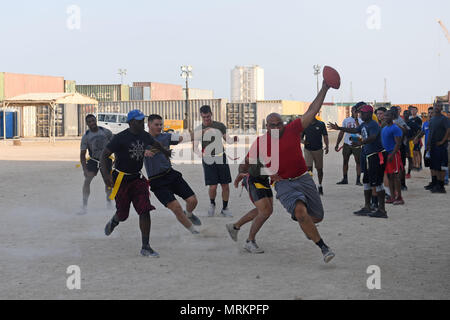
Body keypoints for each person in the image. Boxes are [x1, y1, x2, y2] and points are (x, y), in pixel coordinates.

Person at [251, 80, 336, 263]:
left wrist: (324, 88)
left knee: (317, 216)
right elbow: (246, 165)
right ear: (266, 126)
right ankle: (324, 248)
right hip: (283, 184)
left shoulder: (293, 129)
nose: (275, 128)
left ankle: (307, 227)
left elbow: (312, 110)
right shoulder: (260, 142)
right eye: (271, 125)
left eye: (278, 124)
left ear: (283, 124)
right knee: (300, 211)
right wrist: (267, 172)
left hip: (304, 178)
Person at [100, 110, 173, 258]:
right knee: (123, 215)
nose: (142, 123)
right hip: (121, 180)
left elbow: (155, 143)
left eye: (142, 120)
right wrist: (106, 175)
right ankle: (114, 220)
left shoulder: (144, 135)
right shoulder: (119, 138)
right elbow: (104, 155)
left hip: (137, 179)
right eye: (139, 121)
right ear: (131, 122)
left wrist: (165, 151)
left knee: (144, 210)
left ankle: (145, 247)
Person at [144, 114, 201, 234]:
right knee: (177, 208)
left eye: (161, 124)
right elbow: (130, 149)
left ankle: (189, 215)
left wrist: (201, 133)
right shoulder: (142, 140)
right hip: (157, 181)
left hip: (171, 175)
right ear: (149, 125)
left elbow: (182, 138)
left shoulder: (166, 137)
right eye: (156, 125)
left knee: (193, 201)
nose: (159, 127)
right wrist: (144, 152)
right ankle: (194, 232)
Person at [329, 104, 388, 218]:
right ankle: (367, 206)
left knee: (377, 182)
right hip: (367, 155)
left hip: (376, 155)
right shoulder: (364, 124)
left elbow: (373, 137)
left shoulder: (373, 124)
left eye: (362, 112)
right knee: (366, 181)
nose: (360, 114)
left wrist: (360, 143)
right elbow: (355, 130)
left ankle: (382, 210)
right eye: (360, 112)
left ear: (369, 114)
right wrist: (339, 128)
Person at [193, 105, 238, 217]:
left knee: (225, 185)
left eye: (208, 116)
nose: (206, 119)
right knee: (213, 186)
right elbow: (194, 147)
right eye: (204, 117)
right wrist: (201, 155)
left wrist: (233, 140)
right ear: (201, 116)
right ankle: (212, 204)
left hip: (221, 157)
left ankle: (225, 208)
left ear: (211, 114)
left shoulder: (220, 126)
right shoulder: (199, 130)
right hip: (208, 159)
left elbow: (227, 140)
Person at [226, 150, 274, 253]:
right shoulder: (264, 143)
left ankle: (235, 226)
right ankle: (250, 241)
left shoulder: (284, 144)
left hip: (264, 179)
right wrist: (240, 174)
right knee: (265, 211)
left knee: (267, 210)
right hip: (252, 179)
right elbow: (245, 162)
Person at [79, 114, 114, 215]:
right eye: (89, 122)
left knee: (108, 182)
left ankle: (109, 202)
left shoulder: (105, 132)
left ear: (96, 121)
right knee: (87, 180)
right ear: (87, 124)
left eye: (93, 121)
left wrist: (117, 158)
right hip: (94, 160)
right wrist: (84, 169)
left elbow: (116, 144)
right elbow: (82, 155)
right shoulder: (86, 137)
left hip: (106, 159)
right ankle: (84, 206)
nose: (92, 123)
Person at [335, 103, 364, 185]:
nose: (354, 112)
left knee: (358, 162)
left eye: (356, 111)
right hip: (347, 143)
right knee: (345, 161)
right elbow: (341, 132)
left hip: (357, 143)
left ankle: (358, 180)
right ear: (351, 111)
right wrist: (337, 143)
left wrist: (356, 119)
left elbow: (360, 131)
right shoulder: (346, 120)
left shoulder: (361, 121)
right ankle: (345, 179)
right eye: (353, 110)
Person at [381, 110, 404, 205]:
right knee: (389, 176)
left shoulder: (395, 128)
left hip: (393, 155)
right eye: (385, 116)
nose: (385, 117)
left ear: (392, 117)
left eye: (388, 116)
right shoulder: (384, 128)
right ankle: (392, 196)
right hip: (386, 154)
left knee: (395, 176)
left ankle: (399, 197)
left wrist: (393, 154)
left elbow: (398, 144)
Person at [426, 103, 450, 193]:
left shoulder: (444, 119)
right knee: (434, 166)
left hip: (441, 147)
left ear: (441, 108)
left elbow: (448, 130)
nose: (437, 107)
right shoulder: (432, 119)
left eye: (439, 106)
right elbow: (430, 132)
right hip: (432, 146)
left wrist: (443, 141)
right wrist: (428, 144)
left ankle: (441, 186)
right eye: (435, 106)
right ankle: (435, 184)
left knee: (442, 167)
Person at [302, 117, 329, 195]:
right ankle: (310, 187)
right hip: (308, 150)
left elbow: (325, 136)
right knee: (309, 169)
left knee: (319, 169)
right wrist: (304, 142)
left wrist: (327, 146)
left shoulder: (321, 124)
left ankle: (320, 185)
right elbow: (300, 137)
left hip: (318, 150)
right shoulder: (305, 124)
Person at [414, 107, 434, 189]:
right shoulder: (425, 123)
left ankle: (438, 183)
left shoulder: (437, 123)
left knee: (436, 166)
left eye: (432, 112)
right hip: (427, 148)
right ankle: (433, 182)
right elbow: (422, 132)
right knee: (431, 166)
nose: (430, 114)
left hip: (435, 148)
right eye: (429, 112)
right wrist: (417, 138)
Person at [391, 106, 409, 191]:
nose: (394, 113)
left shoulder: (399, 120)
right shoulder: (389, 120)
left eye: (395, 111)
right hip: (391, 146)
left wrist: (397, 125)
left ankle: (403, 184)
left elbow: (406, 130)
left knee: (401, 166)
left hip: (401, 146)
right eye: (392, 112)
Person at [404, 110, 421, 179]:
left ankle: (408, 173)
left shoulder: (412, 123)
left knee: (410, 158)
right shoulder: (401, 122)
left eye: (407, 113)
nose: (406, 115)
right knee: (402, 158)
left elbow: (420, 130)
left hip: (410, 142)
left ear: (409, 114)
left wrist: (415, 137)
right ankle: (403, 172)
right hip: (402, 142)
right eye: (405, 113)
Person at [409, 106, 423, 170]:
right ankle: (414, 165)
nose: (413, 111)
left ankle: (418, 165)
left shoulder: (418, 119)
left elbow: (420, 130)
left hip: (417, 138)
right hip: (411, 138)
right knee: (412, 152)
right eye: (412, 110)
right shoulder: (410, 119)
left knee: (417, 151)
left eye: (414, 110)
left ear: (417, 111)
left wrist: (417, 138)